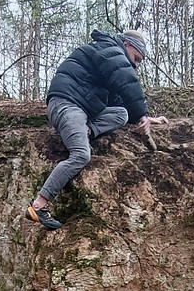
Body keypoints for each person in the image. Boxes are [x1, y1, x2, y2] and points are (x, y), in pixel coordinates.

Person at [25, 29, 169, 231]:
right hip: (66, 105)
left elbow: (119, 100)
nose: (136, 65)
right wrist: (142, 112)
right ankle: (38, 206)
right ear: (126, 44)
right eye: (136, 58)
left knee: (121, 114)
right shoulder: (109, 49)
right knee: (81, 155)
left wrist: (142, 118)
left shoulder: (109, 58)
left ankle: (84, 131)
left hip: (84, 110)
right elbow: (126, 81)